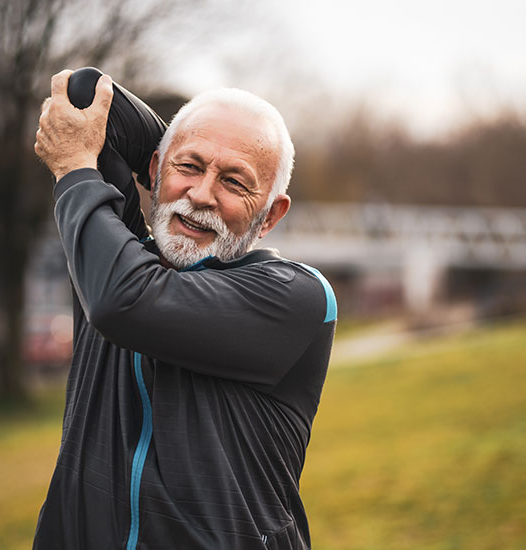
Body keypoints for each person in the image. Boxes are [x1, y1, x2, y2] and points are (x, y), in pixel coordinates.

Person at [32, 70, 336, 550]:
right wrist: (179, 146)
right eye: (189, 169)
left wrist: (75, 166)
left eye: (235, 182)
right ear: (155, 169)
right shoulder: (116, 254)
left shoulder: (297, 298)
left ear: (271, 215)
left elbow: (124, 300)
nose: (200, 195)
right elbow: (86, 94)